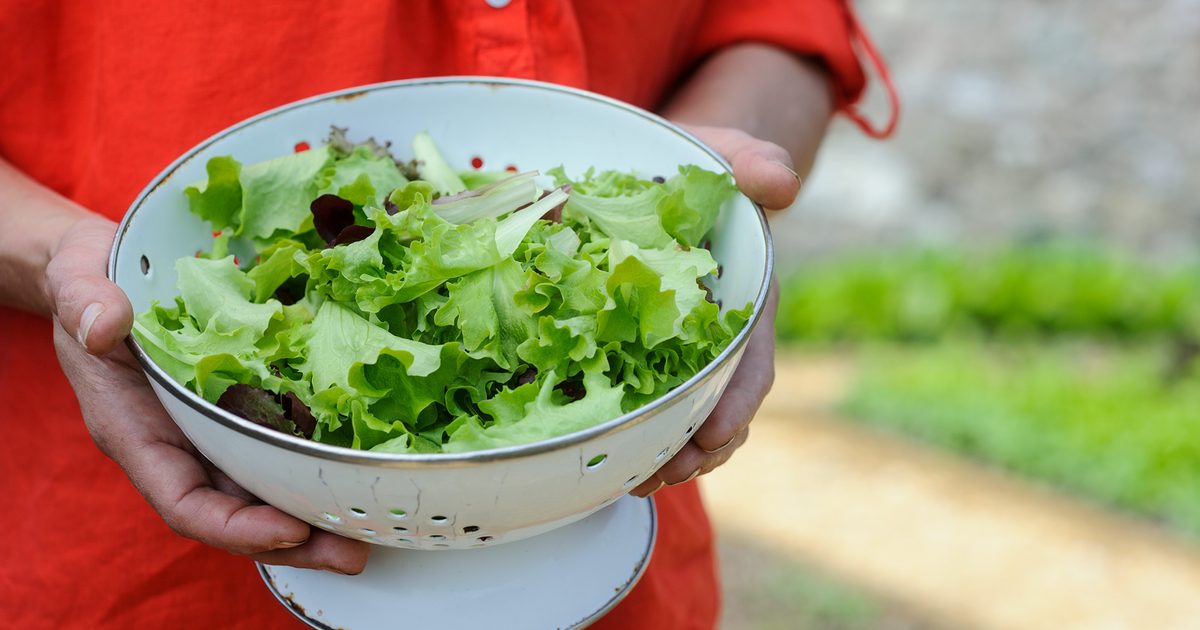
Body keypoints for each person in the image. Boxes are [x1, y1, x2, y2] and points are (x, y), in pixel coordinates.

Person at [0, 1, 895, 627]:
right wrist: (56, 255)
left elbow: (780, 27)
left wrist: (695, 190)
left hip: (605, 509)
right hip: (120, 546)